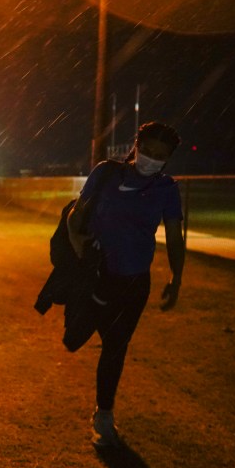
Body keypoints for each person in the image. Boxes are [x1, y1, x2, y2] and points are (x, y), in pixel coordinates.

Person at [66, 121, 185, 447]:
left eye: (160, 155)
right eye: (146, 150)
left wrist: (176, 277)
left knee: (115, 347)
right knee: (74, 338)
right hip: (98, 276)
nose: (151, 159)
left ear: (168, 159)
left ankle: (103, 415)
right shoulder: (107, 173)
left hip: (134, 283)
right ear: (136, 145)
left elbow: (174, 237)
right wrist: (79, 244)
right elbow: (75, 215)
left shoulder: (168, 189)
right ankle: (102, 406)